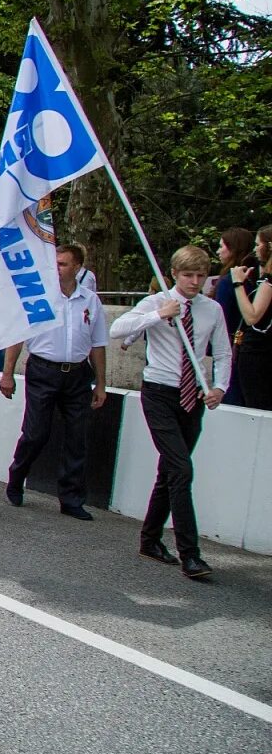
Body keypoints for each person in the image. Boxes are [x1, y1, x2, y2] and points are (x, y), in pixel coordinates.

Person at [111, 245, 232, 580]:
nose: (195, 281)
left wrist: (219, 387)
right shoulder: (157, 302)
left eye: (200, 275)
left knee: (171, 472)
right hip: (160, 393)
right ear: (175, 274)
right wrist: (159, 315)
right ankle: (190, 554)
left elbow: (222, 352)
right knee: (181, 469)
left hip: (193, 396)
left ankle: (150, 540)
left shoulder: (213, 310)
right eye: (188, 275)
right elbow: (117, 330)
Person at [0, 243, 109, 517]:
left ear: (77, 267)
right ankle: (17, 475)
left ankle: (71, 498)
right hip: (43, 370)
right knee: (36, 433)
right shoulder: (40, 296)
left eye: (63, 264)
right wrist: (7, 373)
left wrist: (102, 383)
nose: (57, 269)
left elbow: (98, 344)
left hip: (77, 373)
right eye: (55, 263)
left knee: (76, 436)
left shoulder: (90, 301)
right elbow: (18, 335)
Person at [212, 225, 272, 409]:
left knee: (253, 404)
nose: (254, 249)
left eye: (258, 244)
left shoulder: (267, 283)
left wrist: (238, 283)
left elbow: (251, 316)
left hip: (257, 351)